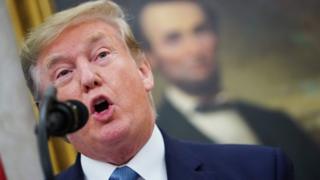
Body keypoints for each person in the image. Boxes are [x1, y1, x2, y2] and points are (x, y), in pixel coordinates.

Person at [20, 0, 293, 179]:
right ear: (49, 112)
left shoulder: (261, 170)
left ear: (144, 72)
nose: (89, 77)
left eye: (101, 54)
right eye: (64, 72)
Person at [136, 1, 320, 180]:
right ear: (150, 57)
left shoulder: (278, 121)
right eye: (173, 39)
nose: (195, 49)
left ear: (216, 35)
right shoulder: (154, 144)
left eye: (200, 30)